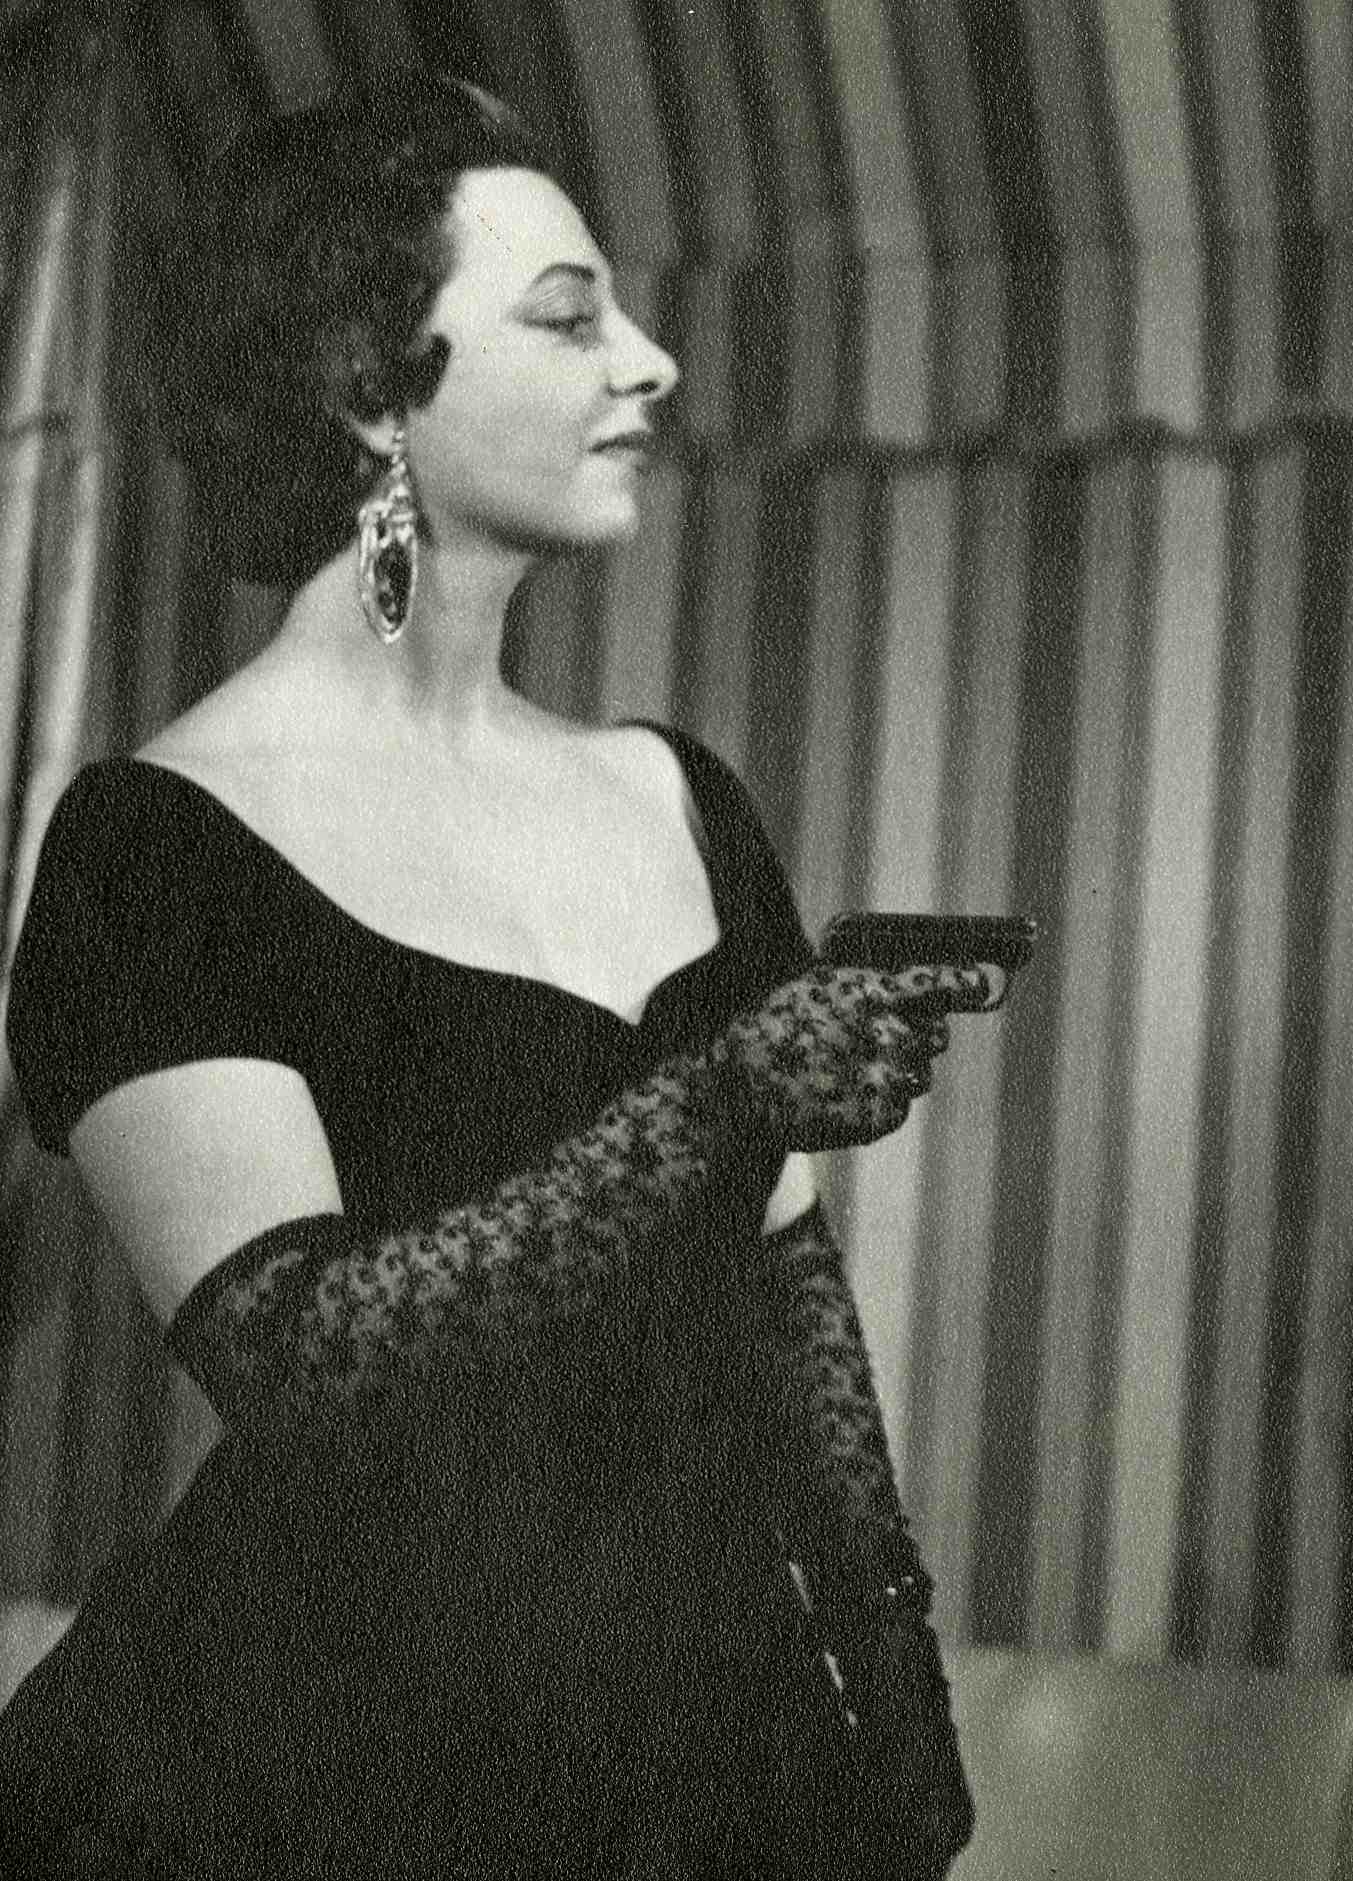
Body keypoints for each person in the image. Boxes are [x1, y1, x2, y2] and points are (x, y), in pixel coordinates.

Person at [0, 75, 991, 1878]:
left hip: (707, 1746)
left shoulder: (680, 797)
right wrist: (716, 1097)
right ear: (365, 387)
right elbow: (304, 1356)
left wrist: (895, 1683)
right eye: (568, 316)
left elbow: (786, 1297)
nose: (652, 361)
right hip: (326, 1771)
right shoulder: (154, 844)